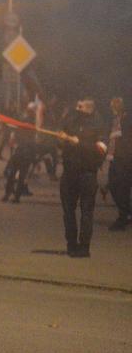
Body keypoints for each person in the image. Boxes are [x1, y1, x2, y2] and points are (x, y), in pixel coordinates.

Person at [58, 98, 106, 258]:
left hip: (87, 174)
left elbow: (100, 150)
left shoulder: (98, 124)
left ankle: (84, 247)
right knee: (68, 211)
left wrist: (79, 142)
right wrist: (62, 139)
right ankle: (71, 245)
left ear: (89, 108)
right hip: (70, 172)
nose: (77, 109)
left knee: (86, 212)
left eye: (81, 107)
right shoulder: (71, 119)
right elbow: (62, 140)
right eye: (76, 105)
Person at [2, 104, 38, 203]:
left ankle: (12, 195)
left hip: (25, 152)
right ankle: (11, 195)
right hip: (22, 151)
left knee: (17, 175)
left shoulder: (32, 124)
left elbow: (33, 140)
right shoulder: (27, 122)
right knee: (15, 175)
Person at [106, 97, 131, 231]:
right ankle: (126, 213)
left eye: (114, 105)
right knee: (115, 186)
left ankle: (123, 217)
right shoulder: (115, 120)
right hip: (115, 158)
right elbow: (112, 139)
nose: (112, 108)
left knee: (122, 188)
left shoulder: (126, 120)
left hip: (124, 159)